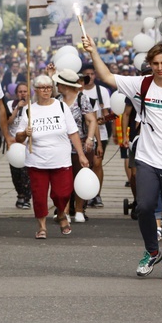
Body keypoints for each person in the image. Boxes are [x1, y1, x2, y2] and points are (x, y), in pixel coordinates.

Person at [83, 36, 162, 280]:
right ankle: (152, 250)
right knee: (145, 207)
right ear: (150, 64)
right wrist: (93, 51)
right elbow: (107, 77)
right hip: (147, 157)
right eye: (155, 63)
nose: (159, 68)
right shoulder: (141, 84)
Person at [14, 74, 89, 239]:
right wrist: (25, 134)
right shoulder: (29, 110)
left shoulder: (61, 107)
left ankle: (61, 213)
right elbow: (18, 138)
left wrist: (81, 154)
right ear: (36, 90)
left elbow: (73, 133)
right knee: (39, 196)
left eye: (48, 87)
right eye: (42, 88)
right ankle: (41, 226)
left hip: (61, 159)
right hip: (37, 160)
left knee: (62, 193)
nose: (46, 91)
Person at [52, 68, 97, 223]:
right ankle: (63, 210)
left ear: (65, 85)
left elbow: (91, 120)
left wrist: (90, 138)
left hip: (81, 145)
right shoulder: (57, 100)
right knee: (64, 180)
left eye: (58, 83)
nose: (56, 85)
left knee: (80, 178)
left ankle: (78, 210)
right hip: (61, 147)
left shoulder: (81, 99)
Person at [80, 63, 110, 208]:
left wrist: (103, 120)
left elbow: (109, 114)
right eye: (87, 74)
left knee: (97, 164)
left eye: (92, 74)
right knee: (85, 164)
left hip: (100, 133)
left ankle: (96, 194)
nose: (89, 77)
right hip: (81, 134)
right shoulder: (78, 91)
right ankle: (85, 194)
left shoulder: (101, 91)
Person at [6, 83, 32, 209]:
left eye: (25, 91)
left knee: (26, 174)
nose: (22, 93)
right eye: (20, 91)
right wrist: (17, 108)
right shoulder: (10, 105)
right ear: (16, 93)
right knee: (15, 173)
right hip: (13, 144)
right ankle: (20, 195)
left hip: (27, 145)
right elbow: (7, 122)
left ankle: (26, 197)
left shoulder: (33, 107)